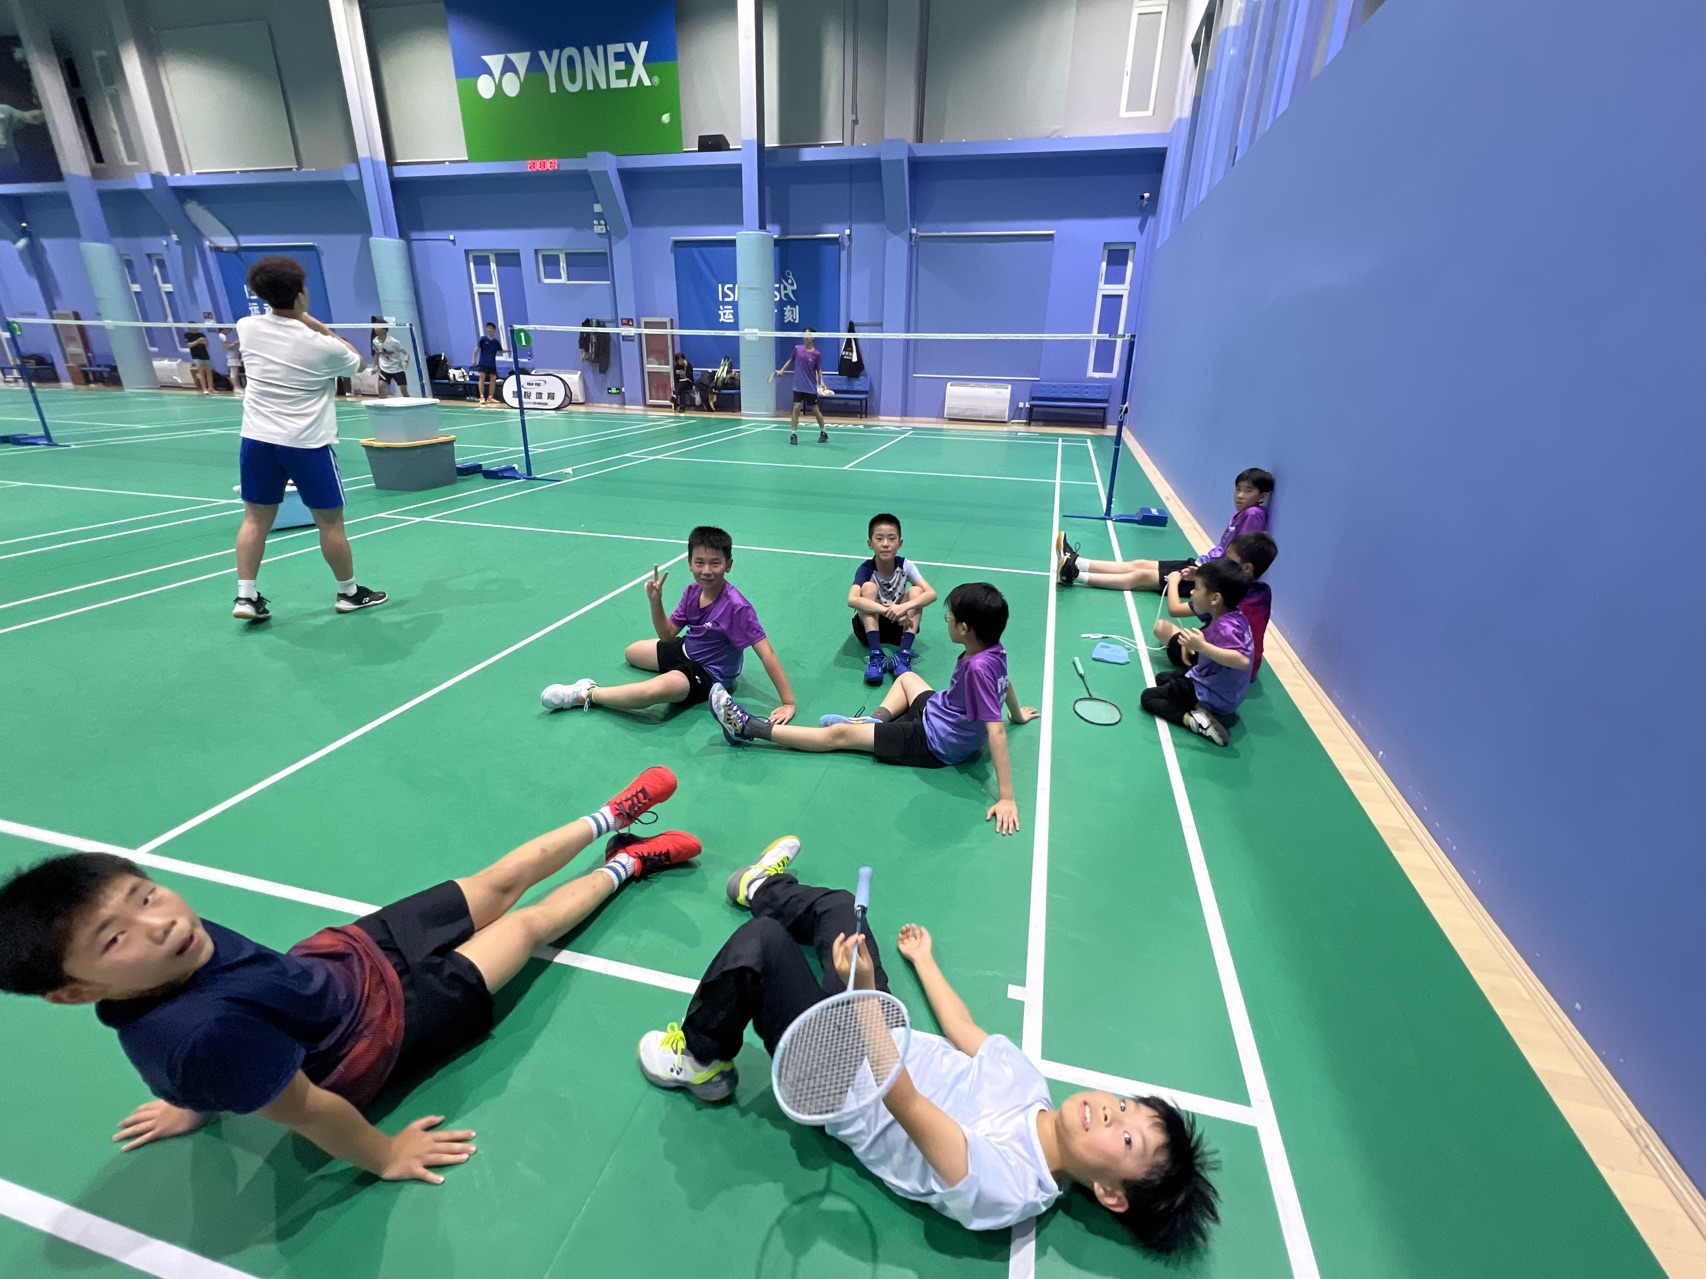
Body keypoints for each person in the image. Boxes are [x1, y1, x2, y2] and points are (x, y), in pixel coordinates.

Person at [0, 767, 698, 1185]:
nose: (158, 923)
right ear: (74, 991)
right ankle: (629, 862)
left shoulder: (169, 950)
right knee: (524, 926)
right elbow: (311, 1111)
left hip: (344, 960)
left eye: (145, 894)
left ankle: (613, 813)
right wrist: (386, 1155)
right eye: (114, 937)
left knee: (497, 880)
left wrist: (190, 1101)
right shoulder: (201, 1034)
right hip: (379, 1030)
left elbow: (178, 1059)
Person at [637, 837, 1220, 1253]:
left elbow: (905, 1100)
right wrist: (923, 961)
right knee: (840, 909)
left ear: (1111, 1194)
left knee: (762, 945)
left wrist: (864, 992)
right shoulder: (1032, 1088)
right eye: (1126, 1106)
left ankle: (702, 1059)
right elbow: (963, 1028)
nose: (1111, 1111)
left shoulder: (1009, 1187)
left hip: (838, 1082)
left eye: (1127, 1138)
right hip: (882, 1028)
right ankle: (763, 886)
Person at [709, 583, 1038, 835]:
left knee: (839, 735)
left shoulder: (977, 668)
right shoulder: (992, 650)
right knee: (906, 678)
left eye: (949, 618)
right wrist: (1017, 714)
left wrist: (1006, 797)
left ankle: (749, 728)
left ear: (964, 628)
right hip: (939, 711)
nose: (947, 621)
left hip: (933, 740)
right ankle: (874, 720)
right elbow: (1004, 683)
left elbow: (995, 731)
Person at [231, 255, 385, 623]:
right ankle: (348, 593)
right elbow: (358, 362)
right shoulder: (322, 346)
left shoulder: (247, 327)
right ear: (300, 293)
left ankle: (246, 596)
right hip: (306, 444)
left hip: (257, 440)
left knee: (254, 519)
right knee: (330, 523)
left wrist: (296, 315)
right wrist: (312, 322)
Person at [540, 525, 798, 723]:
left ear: (728, 565)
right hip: (687, 649)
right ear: (689, 563)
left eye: (715, 563)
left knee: (650, 693)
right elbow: (666, 635)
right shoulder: (691, 592)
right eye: (699, 562)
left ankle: (585, 693)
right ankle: (674, 678)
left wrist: (788, 702)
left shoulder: (737, 607)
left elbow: (767, 654)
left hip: (709, 673)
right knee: (632, 653)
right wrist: (656, 601)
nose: (706, 570)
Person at [1056, 468, 1274, 593]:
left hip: (1214, 579)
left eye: (1248, 491)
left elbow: (1240, 559)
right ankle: (1077, 562)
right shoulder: (1242, 513)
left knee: (1141, 576)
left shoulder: (1253, 515)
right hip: (1204, 564)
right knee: (1140, 564)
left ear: (1262, 496)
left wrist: (1208, 577)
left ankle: (1074, 576)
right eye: (1238, 489)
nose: (1240, 495)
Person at [1140, 558, 1253, 747]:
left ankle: (1195, 721)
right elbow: (1215, 640)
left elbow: (1242, 660)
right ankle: (1202, 709)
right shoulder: (1232, 615)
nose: (1192, 592)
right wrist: (1193, 644)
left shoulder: (1226, 628)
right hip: (1221, 687)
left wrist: (1201, 647)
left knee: (1149, 697)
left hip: (1214, 694)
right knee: (1162, 678)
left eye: (1198, 588)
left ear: (1215, 598)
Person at [1154, 531, 1276, 679]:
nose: (1224, 561)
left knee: (1161, 628)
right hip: (1252, 665)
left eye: (1229, 560)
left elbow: (1175, 610)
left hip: (1222, 663)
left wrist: (1173, 581)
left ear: (1246, 568)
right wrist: (1203, 575)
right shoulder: (1264, 591)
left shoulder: (1225, 595)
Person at [848, 512, 937, 684]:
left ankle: (903, 654)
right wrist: (886, 610)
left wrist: (903, 608)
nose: (885, 544)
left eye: (891, 538)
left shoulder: (905, 565)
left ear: (900, 543)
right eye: (879, 538)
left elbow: (931, 594)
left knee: (917, 591)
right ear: (870, 544)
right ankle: (876, 655)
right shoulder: (866, 569)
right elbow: (851, 599)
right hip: (869, 629)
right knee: (867, 588)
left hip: (899, 625)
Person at [777, 328, 829, 446]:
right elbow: (791, 360)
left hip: (810, 386)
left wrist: (822, 381)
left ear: (813, 338)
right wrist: (782, 370)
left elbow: (819, 369)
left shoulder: (817, 354)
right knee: (796, 408)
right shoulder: (797, 349)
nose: (805, 337)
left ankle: (824, 432)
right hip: (798, 386)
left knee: (815, 410)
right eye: (804, 334)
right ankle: (793, 434)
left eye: (808, 335)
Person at [371, 323, 410, 397]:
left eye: (378, 327)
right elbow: (377, 354)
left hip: (397, 369)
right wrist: (375, 366)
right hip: (384, 369)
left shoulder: (394, 342)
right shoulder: (375, 341)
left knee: (404, 392)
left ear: (384, 330)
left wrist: (406, 361)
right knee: (381, 390)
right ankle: (383, 404)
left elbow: (406, 353)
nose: (375, 328)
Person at [470, 322, 503, 406]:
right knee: (482, 378)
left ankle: (490, 397)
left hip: (492, 363)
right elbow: (476, 349)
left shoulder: (496, 342)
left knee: (493, 379)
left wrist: (511, 350)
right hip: (483, 362)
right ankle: (481, 397)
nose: (489, 330)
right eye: (487, 328)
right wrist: (473, 359)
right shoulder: (483, 339)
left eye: (490, 328)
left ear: (494, 330)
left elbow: (501, 350)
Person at [183, 326, 213, 394]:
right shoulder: (187, 334)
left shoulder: (201, 334)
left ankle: (211, 388)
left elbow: (206, 344)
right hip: (196, 355)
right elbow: (189, 345)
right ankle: (204, 388)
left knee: (209, 372)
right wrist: (198, 341)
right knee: (201, 372)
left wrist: (205, 342)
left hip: (205, 354)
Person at [218, 327, 243, 393]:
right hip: (231, 356)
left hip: (234, 356)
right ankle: (236, 387)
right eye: (228, 329)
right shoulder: (222, 336)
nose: (229, 331)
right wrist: (235, 342)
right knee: (234, 372)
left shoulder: (223, 336)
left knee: (235, 372)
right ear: (224, 329)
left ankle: (238, 387)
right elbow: (228, 346)